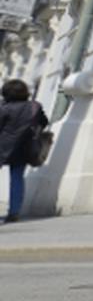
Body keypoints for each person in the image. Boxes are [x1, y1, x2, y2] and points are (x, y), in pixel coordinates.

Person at [1, 79, 48, 224]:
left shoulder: (4, 108)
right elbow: (44, 122)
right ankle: (14, 212)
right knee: (17, 179)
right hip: (23, 147)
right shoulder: (34, 107)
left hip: (2, 146)